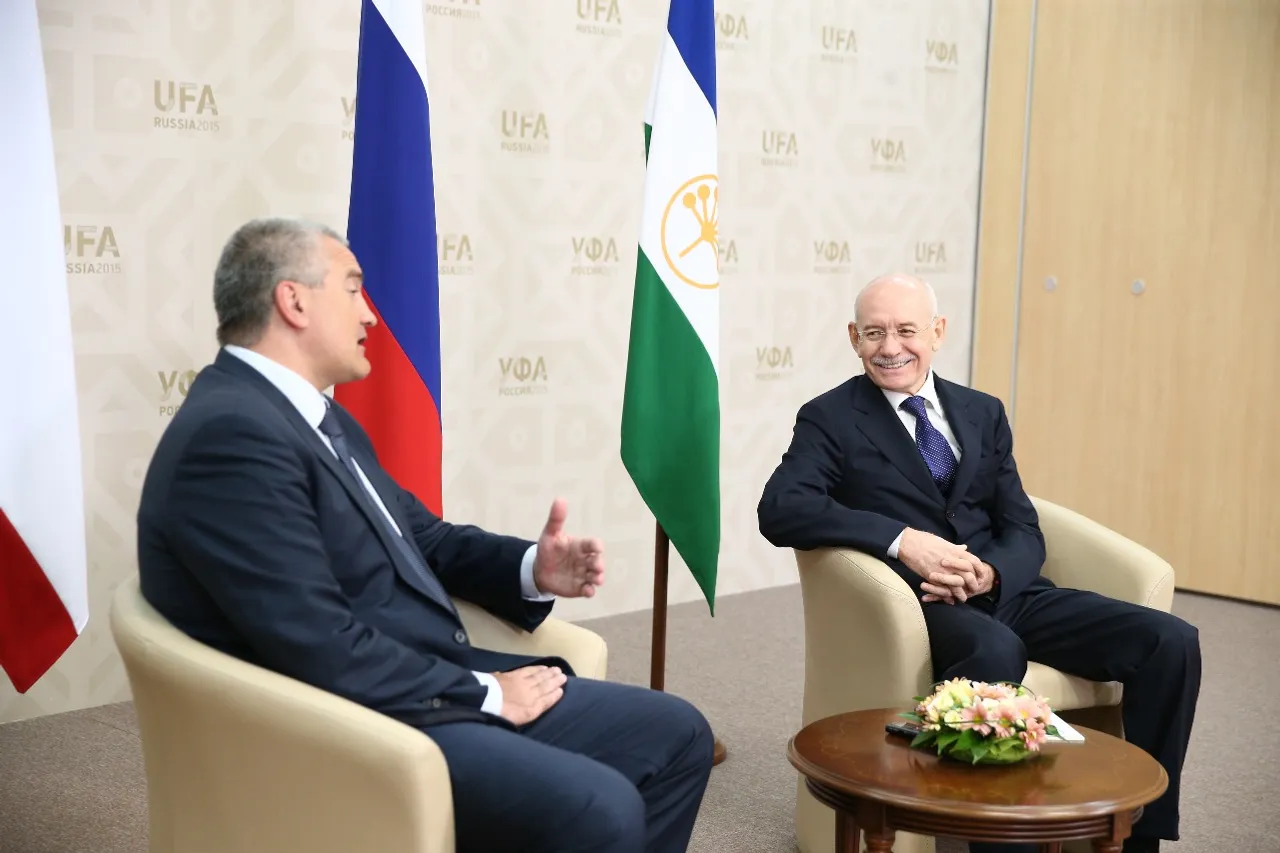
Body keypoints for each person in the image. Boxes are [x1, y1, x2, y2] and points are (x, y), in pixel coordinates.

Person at [136, 217, 714, 853]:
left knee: (678, 733)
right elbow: (316, 643)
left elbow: (423, 539)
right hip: (357, 727)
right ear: (293, 301)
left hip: (420, 685)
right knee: (603, 808)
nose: (371, 315)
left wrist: (531, 568)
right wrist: (486, 693)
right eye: (352, 289)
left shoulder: (311, 416)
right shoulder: (232, 438)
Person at [757, 273, 1199, 853]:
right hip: (920, 604)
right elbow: (781, 508)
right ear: (854, 338)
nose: (891, 347)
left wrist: (992, 574)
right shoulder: (831, 417)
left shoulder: (982, 411)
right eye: (875, 333)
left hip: (1009, 591)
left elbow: (1022, 526)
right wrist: (902, 541)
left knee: (1170, 641)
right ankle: (999, 843)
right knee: (995, 651)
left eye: (907, 330)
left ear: (937, 332)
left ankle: (1136, 836)